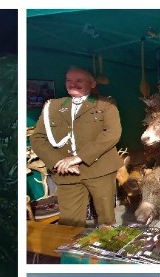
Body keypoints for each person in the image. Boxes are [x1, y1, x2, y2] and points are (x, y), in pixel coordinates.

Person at [29, 67, 122, 227]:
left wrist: (78, 158)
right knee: (69, 223)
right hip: (67, 173)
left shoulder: (106, 104)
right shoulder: (53, 106)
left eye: (79, 80)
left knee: (106, 220)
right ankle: (71, 252)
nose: (73, 84)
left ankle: (105, 249)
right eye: (69, 80)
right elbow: (37, 138)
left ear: (92, 83)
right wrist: (59, 162)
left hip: (99, 171)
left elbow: (112, 134)